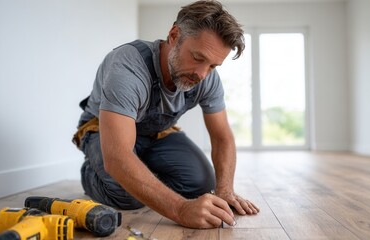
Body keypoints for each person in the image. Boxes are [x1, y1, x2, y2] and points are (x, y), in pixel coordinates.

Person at [73, 0, 259, 229]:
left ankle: (141, 172)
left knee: (202, 183)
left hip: (156, 133)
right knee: (126, 195)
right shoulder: (128, 67)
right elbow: (118, 156)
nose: (202, 74)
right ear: (174, 35)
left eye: (213, 66)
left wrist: (225, 190)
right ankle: (92, 172)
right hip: (104, 132)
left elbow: (222, 137)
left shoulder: (206, 78)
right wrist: (181, 209)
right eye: (198, 58)